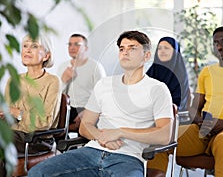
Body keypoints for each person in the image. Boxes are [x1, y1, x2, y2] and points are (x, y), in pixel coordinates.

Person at [28, 30, 174, 177]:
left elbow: (164, 135)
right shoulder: (104, 84)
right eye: (122, 48)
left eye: (132, 48)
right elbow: (85, 126)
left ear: (147, 55)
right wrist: (101, 138)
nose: (125, 52)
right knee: (38, 172)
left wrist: (121, 132)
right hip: (91, 152)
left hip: (128, 158)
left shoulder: (158, 89)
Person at [147, 26, 223, 177]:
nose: (218, 46)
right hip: (204, 130)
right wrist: (202, 122)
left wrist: (222, 124)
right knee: (161, 138)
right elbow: (194, 108)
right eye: (215, 43)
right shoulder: (207, 72)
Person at [0, 34, 61, 176]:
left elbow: (44, 122)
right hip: (14, 135)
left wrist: (17, 113)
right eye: (25, 46)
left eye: (34, 46)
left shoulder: (53, 81)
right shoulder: (13, 80)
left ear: (46, 55)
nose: (27, 50)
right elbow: (9, 117)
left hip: (36, 140)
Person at [57, 33, 106, 132]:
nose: (72, 47)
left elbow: (103, 94)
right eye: (69, 44)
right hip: (66, 108)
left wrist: (87, 111)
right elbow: (56, 94)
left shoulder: (96, 67)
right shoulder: (63, 67)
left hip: (87, 108)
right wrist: (63, 80)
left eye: (77, 44)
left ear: (86, 48)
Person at [146, 37, 190, 112]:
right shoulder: (151, 72)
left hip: (173, 116)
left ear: (175, 52)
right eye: (159, 48)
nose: (162, 51)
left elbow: (179, 103)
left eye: (166, 48)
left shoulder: (180, 75)